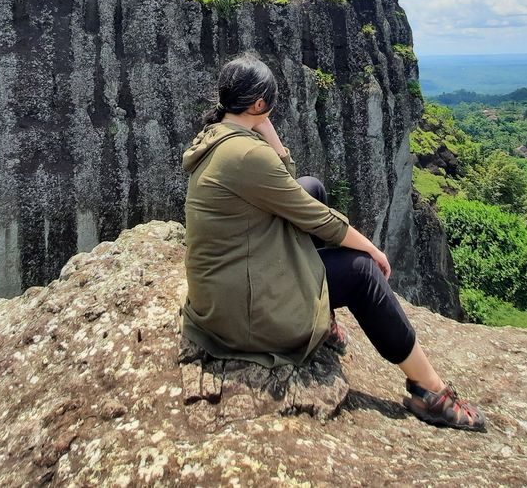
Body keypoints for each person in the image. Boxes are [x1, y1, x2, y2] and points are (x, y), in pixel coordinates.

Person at [179, 51, 486, 431]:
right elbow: (317, 219)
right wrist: (372, 250)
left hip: (230, 282)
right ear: (259, 104)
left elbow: (288, 183)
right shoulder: (245, 155)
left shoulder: (220, 134)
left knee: (313, 187)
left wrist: (262, 123)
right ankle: (430, 391)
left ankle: (321, 318)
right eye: (269, 102)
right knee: (360, 272)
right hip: (241, 314)